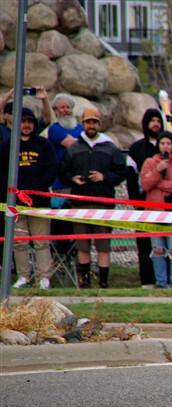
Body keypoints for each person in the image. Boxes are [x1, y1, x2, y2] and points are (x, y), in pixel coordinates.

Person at [59, 108, 126, 288]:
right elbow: (63, 171)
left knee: (103, 246)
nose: (91, 125)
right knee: (83, 246)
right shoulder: (74, 147)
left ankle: (103, 283)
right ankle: (85, 282)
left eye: (94, 122)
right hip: (79, 203)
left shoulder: (110, 147)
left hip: (103, 203)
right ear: (83, 123)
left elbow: (122, 172)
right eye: (88, 122)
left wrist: (104, 177)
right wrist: (72, 178)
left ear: (99, 124)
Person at [0, 108, 57, 289]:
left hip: (38, 202)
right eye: (23, 122)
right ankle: (24, 277)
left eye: (30, 122)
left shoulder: (44, 145)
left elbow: (51, 169)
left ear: (34, 124)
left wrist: (35, 190)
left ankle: (43, 278)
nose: (26, 125)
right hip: (14, 203)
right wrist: (12, 192)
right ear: (17, 123)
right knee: (18, 242)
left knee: (41, 241)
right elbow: (2, 172)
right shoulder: (8, 145)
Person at [140, 132, 172, 289]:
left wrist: (159, 183)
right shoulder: (149, 162)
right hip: (154, 212)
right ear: (158, 145)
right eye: (162, 143)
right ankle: (161, 283)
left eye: (168, 143)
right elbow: (146, 184)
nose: (165, 146)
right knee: (158, 250)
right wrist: (158, 171)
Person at [127, 108, 165, 288]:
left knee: (165, 243)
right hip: (142, 204)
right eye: (152, 120)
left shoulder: (168, 145)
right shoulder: (136, 149)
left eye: (158, 120)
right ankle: (147, 281)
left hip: (164, 205)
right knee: (144, 243)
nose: (155, 124)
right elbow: (130, 177)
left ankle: (165, 280)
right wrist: (135, 202)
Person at [45, 94, 84, 208]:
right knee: (61, 219)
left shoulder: (81, 128)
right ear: (56, 110)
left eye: (68, 107)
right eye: (62, 107)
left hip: (80, 179)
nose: (66, 110)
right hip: (61, 182)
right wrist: (85, 140)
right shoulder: (55, 129)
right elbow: (73, 144)